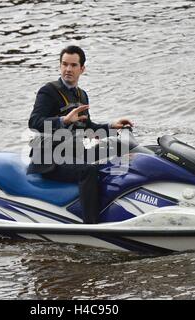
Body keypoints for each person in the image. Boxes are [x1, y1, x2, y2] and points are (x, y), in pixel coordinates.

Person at [27, 45, 133, 224]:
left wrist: (111, 126)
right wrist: (63, 121)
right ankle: (91, 224)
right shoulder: (48, 91)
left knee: (119, 148)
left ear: (82, 69)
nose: (68, 69)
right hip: (49, 159)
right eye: (64, 64)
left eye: (73, 65)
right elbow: (34, 122)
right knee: (87, 170)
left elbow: (88, 127)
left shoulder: (82, 95)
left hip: (73, 152)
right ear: (60, 66)